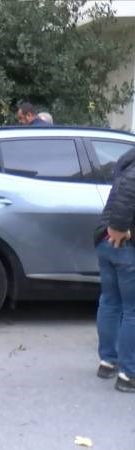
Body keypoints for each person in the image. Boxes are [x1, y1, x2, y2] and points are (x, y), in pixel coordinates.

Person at [94, 145, 135, 392]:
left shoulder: (127, 159)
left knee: (110, 302)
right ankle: (129, 375)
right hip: (124, 244)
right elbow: (128, 191)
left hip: (105, 242)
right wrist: (119, 228)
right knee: (132, 309)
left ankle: (108, 361)